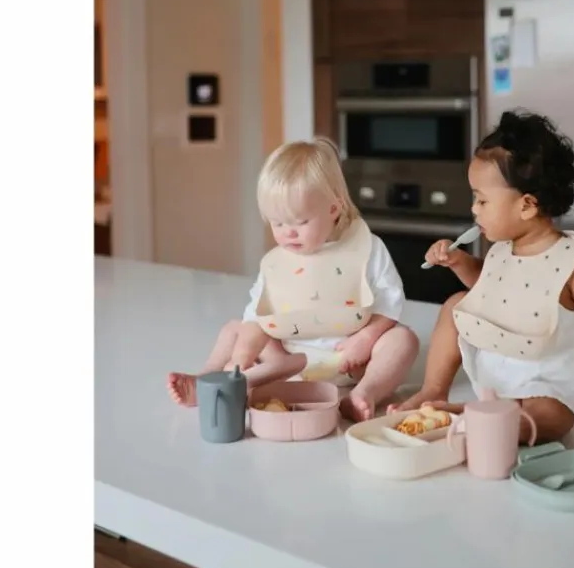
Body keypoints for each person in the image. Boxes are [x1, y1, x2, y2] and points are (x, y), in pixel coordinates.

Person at [393, 109, 574, 444]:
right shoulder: (502, 249)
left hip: (549, 380)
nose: (474, 209)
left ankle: (492, 422)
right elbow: (489, 288)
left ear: (527, 206)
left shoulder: (572, 263)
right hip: (502, 366)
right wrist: (459, 262)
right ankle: (434, 392)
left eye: (482, 200)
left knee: (552, 416)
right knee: (456, 303)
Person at [167, 138, 419, 421]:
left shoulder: (366, 248)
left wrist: (366, 337)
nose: (288, 233)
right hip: (285, 358)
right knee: (234, 330)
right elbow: (257, 316)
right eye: (278, 223)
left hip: (348, 357)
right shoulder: (279, 262)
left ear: (333, 208)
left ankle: (364, 394)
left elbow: (390, 299)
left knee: (403, 340)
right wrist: (241, 358)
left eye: (300, 222)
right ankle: (209, 380)